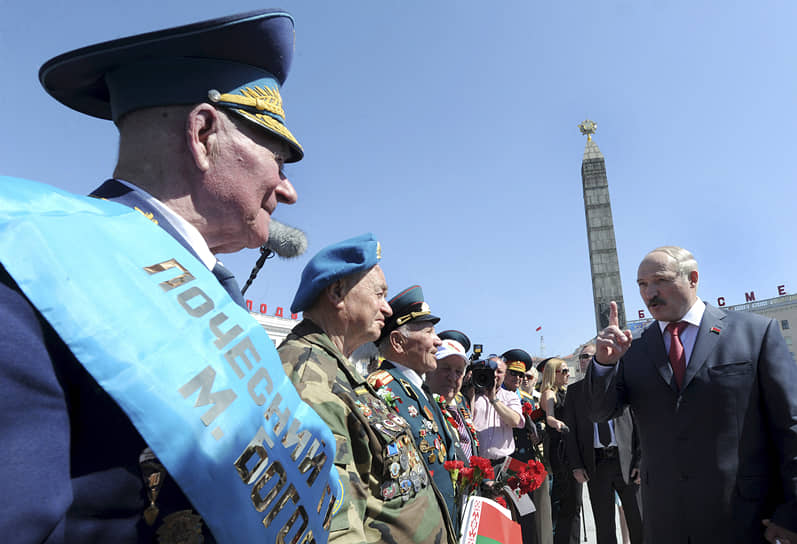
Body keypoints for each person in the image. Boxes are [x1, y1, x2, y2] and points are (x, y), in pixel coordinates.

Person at [0, 10, 343, 543]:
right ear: (204, 134)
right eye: (278, 158)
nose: (288, 189)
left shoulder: (210, 289)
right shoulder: (29, 266)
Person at [588, 246, 797, 543]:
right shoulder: (633, 349)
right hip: (665, 518)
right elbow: (599, 412)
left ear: (693, 278)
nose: (650, 293)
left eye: (660, 280)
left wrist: (792, 512)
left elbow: (789, 425)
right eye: (643, 285)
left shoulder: (754, 333)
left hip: (744, 516)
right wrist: (603, 365)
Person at [278, 236, 456, 544]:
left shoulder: (337, 371)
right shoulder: (309, 376)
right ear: (337, 293)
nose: (387, 309)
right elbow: (330, 527)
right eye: (380, 295)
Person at [370, 286, 464, 533]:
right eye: (429, 331)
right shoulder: (380, 391)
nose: (438, 341)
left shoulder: (420, 388)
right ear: (398, 342)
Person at [564, 344, 643, 544]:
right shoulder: (574, 392)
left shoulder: (623, 386)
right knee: (604, 526)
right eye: (583, 356)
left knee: (639, 521)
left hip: (627, 463)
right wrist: (576, 465)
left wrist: (641, 462)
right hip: (596, 466)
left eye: (592, 356)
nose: (587, 360)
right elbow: (570, 433)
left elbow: (640, 425)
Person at [502, 348, 549, 544]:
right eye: (513, 373)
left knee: (529, 516)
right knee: (510, 517)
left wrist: (538, 431)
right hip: (506, 464)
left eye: (521, 375)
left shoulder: (527, 398)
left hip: (526, 464)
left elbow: (541, 422)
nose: (518, 378)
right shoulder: (496, 395)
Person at [540, 357, 580, 544]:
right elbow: (549, 417)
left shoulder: (566, 392)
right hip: (559, 448)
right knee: (563, 497)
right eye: (563, 371)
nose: (568, 374)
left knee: (574, 500)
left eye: (567, 371)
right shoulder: (549, 393)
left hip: (570, 445)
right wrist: (560, 425)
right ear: (552, 373)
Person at [426, 330, 480, 460]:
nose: (452, 377)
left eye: (458, 371)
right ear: (430, 367)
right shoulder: (420, 402)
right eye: (445, 368)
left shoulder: (461, 401)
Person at [470, 355, 525, 466]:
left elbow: (515, 421)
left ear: (504, 375)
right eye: (490, 371)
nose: (494, 375)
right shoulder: (472, 395)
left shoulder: (510, 397)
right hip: (476, 462)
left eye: (499, 372)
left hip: (502, 463)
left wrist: (493, 399)